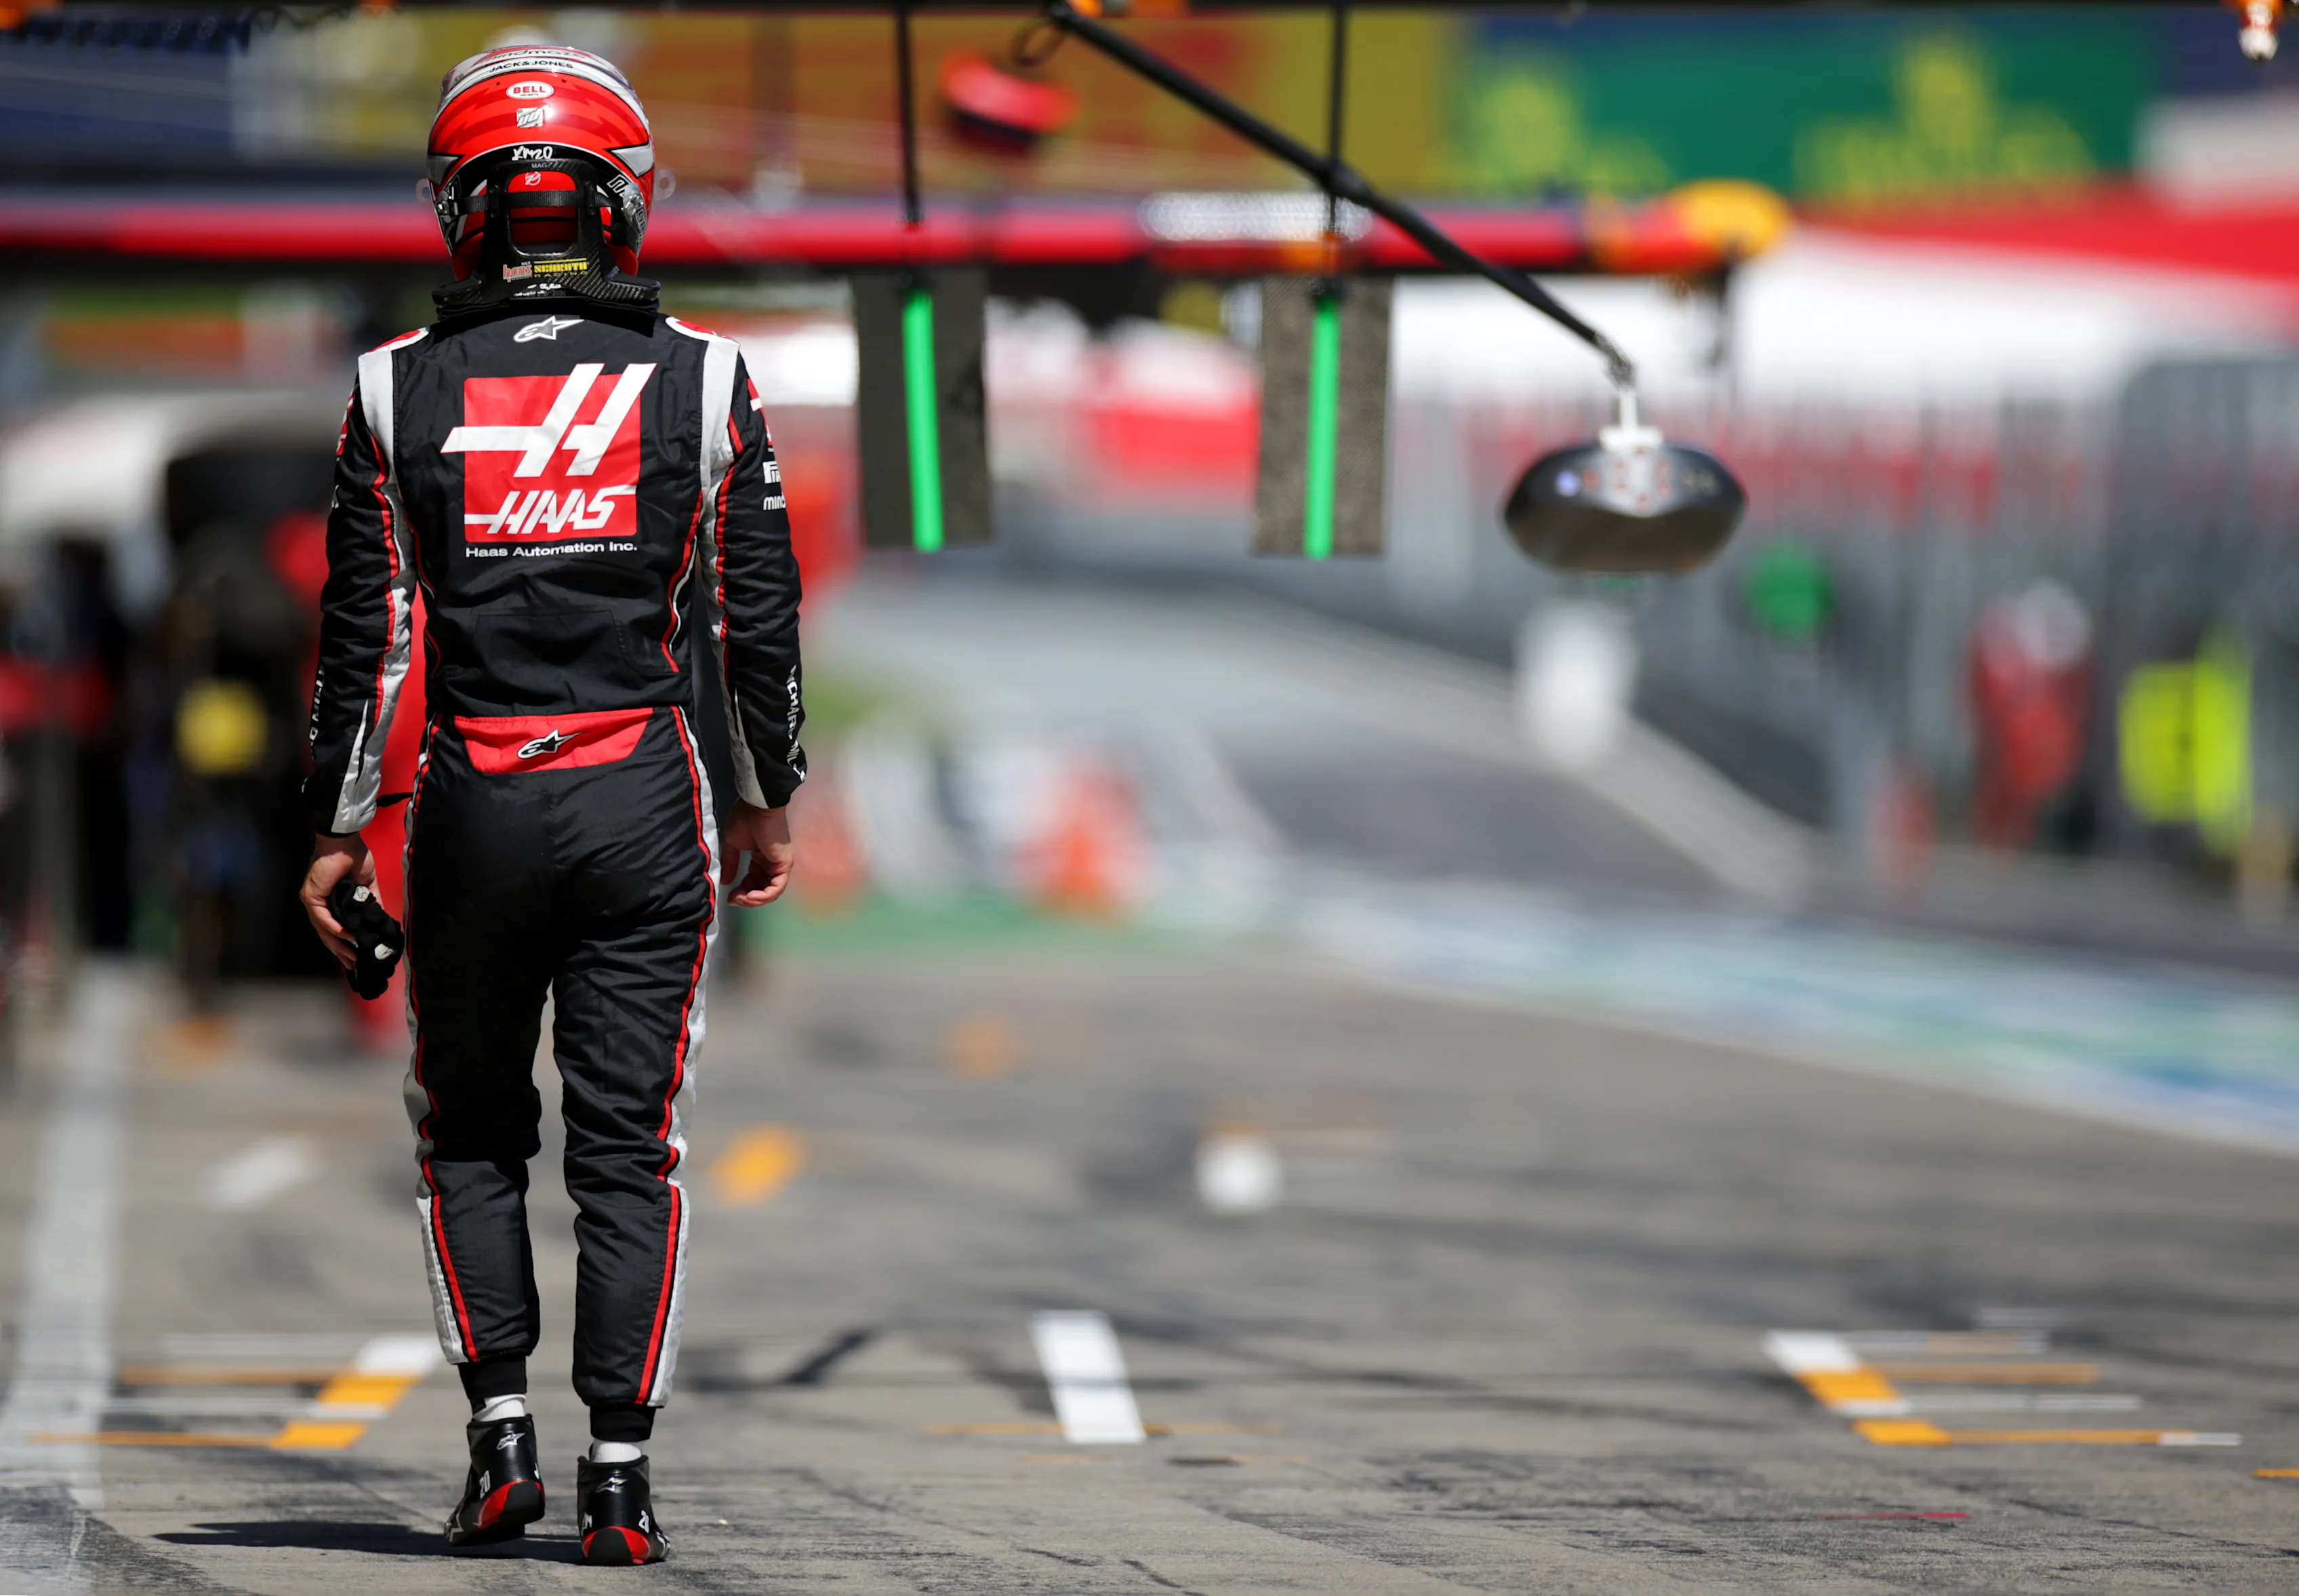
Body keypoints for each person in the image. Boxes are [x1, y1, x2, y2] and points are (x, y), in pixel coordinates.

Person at [296, 43, 805, 1566]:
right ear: (620, 200)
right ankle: (623, 1481)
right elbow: (750, 621)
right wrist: (763, 800)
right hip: (643, 796)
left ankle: (498, 1446)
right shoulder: (709, 377)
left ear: (464, 206)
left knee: (468, 1134)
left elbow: (366, 638)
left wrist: (334, 829)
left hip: (476, 802)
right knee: (627, 1149)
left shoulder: (392, 387)